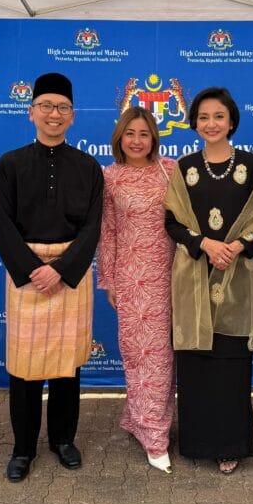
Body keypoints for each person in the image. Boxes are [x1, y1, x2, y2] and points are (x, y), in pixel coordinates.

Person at [0, 72, 103, 482]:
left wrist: (61, 271)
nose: (54, 115)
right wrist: (32, 270)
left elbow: (93, 227)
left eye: (62, 108)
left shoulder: (88, 167)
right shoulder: (10, 164)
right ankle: (23, 448)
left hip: (70, 275)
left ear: (73, 116)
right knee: (24, 368)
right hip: (27, 276)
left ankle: (62, 440)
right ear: (31, 112)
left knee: (67, 365)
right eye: (46, 107)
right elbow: (2, 226)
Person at [164, 87, 253, 475]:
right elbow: (171, 221)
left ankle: (230, 445)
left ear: (232, 121)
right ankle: (198, 441)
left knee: (231, 362)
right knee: (196, 362)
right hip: (194, 273)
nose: (211, 124)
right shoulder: (184, 167)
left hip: (237, 273)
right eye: (204, 117)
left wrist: (237, 246)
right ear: (194, 122)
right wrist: (205, 244)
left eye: (219, 116)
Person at [97, 107, 177, 473]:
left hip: (170, 275)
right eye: (130, 133)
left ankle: (139, 418)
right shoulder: (109, 176)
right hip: (130, 277)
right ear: (119, 137)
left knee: (163, 357)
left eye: (144, 134)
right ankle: (154, 434)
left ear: (154, 138)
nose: (136, 140)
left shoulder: (170, 170)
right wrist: (108, 279)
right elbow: (108, 231)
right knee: (139, 355)